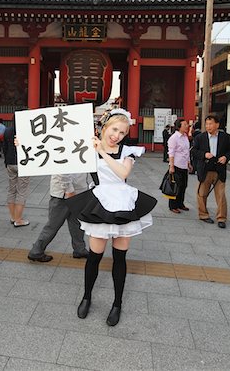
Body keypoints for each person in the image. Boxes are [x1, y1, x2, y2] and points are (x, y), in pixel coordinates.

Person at [65, 108, 157, 326]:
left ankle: (117, 303)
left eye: (122, 132)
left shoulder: (127, 151)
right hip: (98, 202)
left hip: (123, 203)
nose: (117, 135)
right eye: (114, 129)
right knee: (94, 257)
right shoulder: (88, 146)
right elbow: (60, 157)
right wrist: (24, 147)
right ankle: (87, 297)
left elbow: (123, 174)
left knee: (119, 258)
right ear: (104, 126)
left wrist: (102, 152)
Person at [27, 174, 90, 262]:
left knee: (77, 223)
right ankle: (36, 251)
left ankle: (80, 249)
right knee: (53, 225)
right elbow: (61, 170)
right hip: (63, 194)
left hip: (78, 192)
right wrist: (69, 190)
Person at [192, 115, 230, 228]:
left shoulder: (226, 137)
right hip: (205, 169)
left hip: (219, 170)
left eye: (210, 124)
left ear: (217, 125)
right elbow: (194, 151)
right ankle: (203, 215)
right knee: (201, 194)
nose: (208, 126)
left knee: (221, 195)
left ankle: (221, 218)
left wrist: (225, 157)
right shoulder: (200, 137)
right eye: (206, 124)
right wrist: (204, 154)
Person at [3, 117, 30, 227]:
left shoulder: (8, 131)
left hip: (10, 162)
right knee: (21, 191)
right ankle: (18, 220)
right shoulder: (27, 131)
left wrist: (6, 161)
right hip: (23, 163)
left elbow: (4, 147)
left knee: (12, 189)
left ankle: (13, 217)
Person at [167, 119, 193, 214]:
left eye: (187, 124)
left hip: (184, 165)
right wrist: (171, 166)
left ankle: (180, 204)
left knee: (183, 186)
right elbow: (171, 153)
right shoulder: (174, 138)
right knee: (175, 186)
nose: (187, 126)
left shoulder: (185, 137)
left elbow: (187, 152)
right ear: (179, 127)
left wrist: (189, 163)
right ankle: (172, 206)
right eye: (185, 124)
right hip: (176, 165)